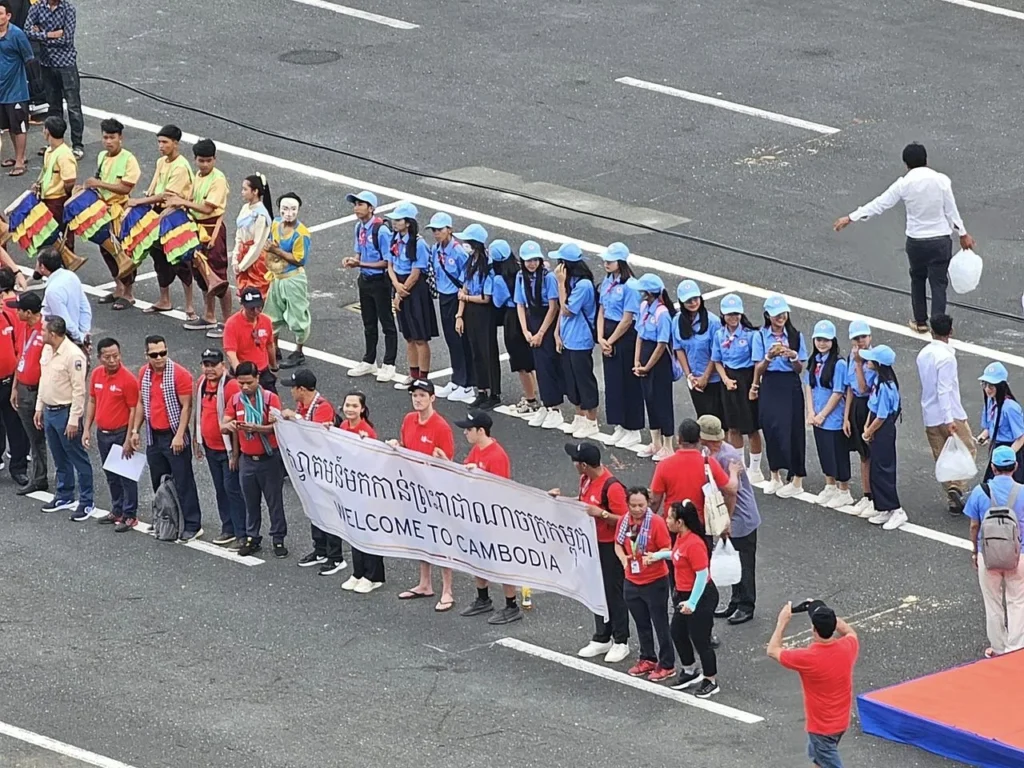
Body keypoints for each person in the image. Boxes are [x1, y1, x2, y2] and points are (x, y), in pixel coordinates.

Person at [834, 142, 974, 333]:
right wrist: (963, 234)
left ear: (906, 164)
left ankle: (920, 322)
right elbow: (951, 211)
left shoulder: (904, 184)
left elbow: (879, 204)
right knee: (939, 282)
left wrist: (851, 217)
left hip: (916, 242)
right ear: (926, 160)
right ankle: (939, 326)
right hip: (940, 240)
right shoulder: (941, 181)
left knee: (917, 278)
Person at [553, 441, 630, 663]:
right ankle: (602, 636)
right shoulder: (585, 480)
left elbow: (626, 520)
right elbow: (582, 504)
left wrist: (603, 515)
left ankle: (621, 640)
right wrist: (560, 501)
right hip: (590, 544)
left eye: (575, 461)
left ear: (584, 464)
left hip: (609, 547)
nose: (573, 464)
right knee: (595, 589)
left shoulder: (612, 487)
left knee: (613, 593)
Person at [768, 601, 860, 768]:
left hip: (821, 728)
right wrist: (825, 612)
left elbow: (772, 650)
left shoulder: (808, 658)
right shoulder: (848, 647)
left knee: (824, 758)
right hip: (840, 722)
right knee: (819, 760)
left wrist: (782, 621)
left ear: (813, 629)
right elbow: (849, 631)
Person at [390, 379, 456, 611]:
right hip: (413, 489)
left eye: (422, 395)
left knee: (440, 539)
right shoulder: (409, 419)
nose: (417, 399)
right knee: (420, 536)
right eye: (415, 395)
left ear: (432, 398)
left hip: (434, 492)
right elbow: (407, 447)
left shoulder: (441, 427)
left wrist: (442, 462)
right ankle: (425, 583)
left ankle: (447, 589)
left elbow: (448, 463)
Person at [129, 334, 203, 540]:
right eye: (154, 354)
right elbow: (142, 404)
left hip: (173, 434)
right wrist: (135, 430)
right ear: (147, 355)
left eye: (163, 353)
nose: (159, 357)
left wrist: (179, 435)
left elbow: (186, 406)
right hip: (154, 435)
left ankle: (192, 523)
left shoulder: (180, 374)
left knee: (183, 480)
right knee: (158, 481)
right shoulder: (144, 374)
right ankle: (166, 518)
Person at [646, 501, 720, 697]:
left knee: (700, 639)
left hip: (700, 596)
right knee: (677, 632)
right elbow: (677, 555)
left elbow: (702, 575)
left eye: (670, 517)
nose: (666, 520)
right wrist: (658, 555)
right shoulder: (681, 537)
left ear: (680, 522)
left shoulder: (695, 544)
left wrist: (693, 603)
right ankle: (689, 670)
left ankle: (711, 679)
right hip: (685, 595)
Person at [455, 410, 522, 624]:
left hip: (494, 518)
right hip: (477, 514)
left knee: (500, 560)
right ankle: (483, 598)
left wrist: (478, 477)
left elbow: (500, 489)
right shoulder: (477, 449)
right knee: (478, 556)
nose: (465, 432)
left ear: (480, 431)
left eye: (469, 429)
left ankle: (512, 605)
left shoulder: (496, 455)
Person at [126, 125, 197, 317]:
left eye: (165, 142)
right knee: (159, 259)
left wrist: (139, 201)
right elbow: (154, 190)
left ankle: (189, 304)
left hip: (175, 216)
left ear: (176, 144)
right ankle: (164, 299)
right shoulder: (161, 162)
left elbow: (166, 195)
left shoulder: (181, 166)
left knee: (181, 261)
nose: (161, 146)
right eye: (159, 142)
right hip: (159, 212)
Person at [699, 415, 761, 625]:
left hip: (740, 516)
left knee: (744, 562)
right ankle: (736, 601)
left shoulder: (725, 456)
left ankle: (746, 604)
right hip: (733, 514)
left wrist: (725, 520)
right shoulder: (712, 452)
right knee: (734, 559)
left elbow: (731, 494)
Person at [963, 445, 1024, 657]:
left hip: (988, 554)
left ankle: (998, 648)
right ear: (1015, 467)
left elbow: (973, 525)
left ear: (993, 467)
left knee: (993, 602)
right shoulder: (1023, 492)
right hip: (1019, 553)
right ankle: (1016, 647)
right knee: (1017, 599)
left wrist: (974, 550)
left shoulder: (980, 492)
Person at [284, 369, 346, 574]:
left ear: (301, 389)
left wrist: (295, 419)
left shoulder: (322, 407)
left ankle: (336, 556)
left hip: (325, 470)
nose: (291, 392)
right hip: (311, 468)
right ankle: (320, 550)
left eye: (293, 388)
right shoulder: (303, 405)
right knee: (314, 508)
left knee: (328, 511)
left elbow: (315, 437)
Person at [223, 361, 286, 558]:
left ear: (258, 379)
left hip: (269, 458)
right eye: (241, 383)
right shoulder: (235, 400)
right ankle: (252, 537)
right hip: (247, 460)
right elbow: (223, 424)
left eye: (248, 382)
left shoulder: (270, 399)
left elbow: (278, 427)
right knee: (250, 502)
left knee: (274, 501)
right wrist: (230, 425)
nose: (244, 387)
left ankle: (278, 538)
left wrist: (256, 428)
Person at [167, 138, 231, 335]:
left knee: (218, 276)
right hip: (197, 228)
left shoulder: (218, 179)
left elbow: (207, 207)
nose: (204, 164)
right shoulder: (198, 176)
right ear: (195, 159)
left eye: (208, 160)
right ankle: (209, 316)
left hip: (212, 230)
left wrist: (182, 203)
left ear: (214, 160)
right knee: (202, 275)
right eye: (201, 160)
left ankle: (228, 322)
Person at [916, 313, 975, 514]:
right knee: (968, 449)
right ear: (951, 331)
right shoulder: (947, 358)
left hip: (930, 415)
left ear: (932, 331)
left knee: (942, 458)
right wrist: (950, 419)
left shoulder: (923, 354)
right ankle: (957, 488)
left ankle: (952, 499)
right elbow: (944, 390)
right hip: (949, 414)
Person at [616, 485, 675, 682]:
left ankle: (667, 664)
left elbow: (667, 547)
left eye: (641, 505)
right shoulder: (625, 522)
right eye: (633, 505)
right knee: (641, 623)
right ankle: (647, 657)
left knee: (660, 623)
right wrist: (624, 559)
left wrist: (655, 556)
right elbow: (617, 543)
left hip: (654, 580)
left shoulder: (656, 523)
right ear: (627, 504)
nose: (637, 509)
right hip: (632, 580)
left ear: (647, 503)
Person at [751, 294, 807, 498]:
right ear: (767, 315)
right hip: (770, 384)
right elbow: (759, 366)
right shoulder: (760, 336)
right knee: (770, 427)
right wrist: (769, 356)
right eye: (776, 314)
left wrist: (793, 356)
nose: (780, 317)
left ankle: (797, 477)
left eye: (783, 313)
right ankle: (775, 475)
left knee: (794, 429)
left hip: (789, 384)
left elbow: (799, 368)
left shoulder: (795, 336)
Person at [35, 314, 90, 518]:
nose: (40, 333)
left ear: (54, 334)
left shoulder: (73, 356)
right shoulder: (48, 349)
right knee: (59, 456)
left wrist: (74, 420)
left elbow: (79, 391)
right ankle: (64, 494)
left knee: (77, 457)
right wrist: (39, 407)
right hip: (50, 410)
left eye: (43, 330)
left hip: (65, 412)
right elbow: (44, 379)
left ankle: (86, 501)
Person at [83, 118, 140, 308]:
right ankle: (118, 288)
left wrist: (98, 184)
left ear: (120, 137)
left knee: (122, 251)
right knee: (106, 251)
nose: (108, 141)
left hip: (119, 212)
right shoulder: (102, 156)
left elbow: (125, 188)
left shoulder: (129, 159)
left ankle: (129, 294)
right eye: (105, 137)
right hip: (102, 210)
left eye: (112, 137)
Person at [82, 337, 138, 527]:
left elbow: (133, 410)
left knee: (126, 476)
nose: (113, 360)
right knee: (111, 474)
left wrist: (130, 437)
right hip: (103, 433)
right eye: (108, 357)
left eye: (116, 356)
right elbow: (92, 401)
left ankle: (130, 514)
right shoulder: (97, 375)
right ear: (100, 358)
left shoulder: (128, 379)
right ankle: (117, 510)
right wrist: (87, 429)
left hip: (121, 433)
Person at [343, 190, 397, 383]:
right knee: (368, 322)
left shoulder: (381, 230)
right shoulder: (359, 227)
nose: (356, 208)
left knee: (387, 323)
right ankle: (369, 359)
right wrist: (353, 261)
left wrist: (360, 264)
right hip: (365, 279)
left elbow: (386, 262)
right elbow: (359, 253)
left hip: (380, 282)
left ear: (371, 208)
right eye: (355, 204)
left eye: (360, 204)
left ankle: (389, 363)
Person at [193, 347, 244, 548]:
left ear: (223, 365)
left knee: (232, 490)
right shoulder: (201, 384)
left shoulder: (231, 387)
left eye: (214, 365)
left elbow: (237, 424)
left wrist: (235, 454)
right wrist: (198, 442)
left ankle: (242, 532)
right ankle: (228, 528)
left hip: (228, 450)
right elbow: (199, 414)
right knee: (220, 489)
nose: (209, 369)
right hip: (210, 447)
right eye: (206, 365)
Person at [336, 390, 386, 593]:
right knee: (353, 530)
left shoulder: (367, 432)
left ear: (362, 409)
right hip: (349, 487)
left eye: (355, 406)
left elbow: (373, 462)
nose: (350, 409)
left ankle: (373, 576)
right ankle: (358, 572)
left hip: (365, 489)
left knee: (368, 531)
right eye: (347, 405)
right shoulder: (343, 426)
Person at [711, 294, 764, 482]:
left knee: (752, 427)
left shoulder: (751, 335)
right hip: (729, 380)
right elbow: (717, 360)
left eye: (736, 314)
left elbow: (757, 362)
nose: (732, 318)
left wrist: (754, 385)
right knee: (733, 427)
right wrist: (725, 379)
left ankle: (755, 468)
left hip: (747, 378)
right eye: (728, 314)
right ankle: (738, 464)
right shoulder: (719, 334)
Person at [597, 242, 642, 448]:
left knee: (628, 382)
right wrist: (600, 337)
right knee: (613, 381)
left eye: (610, 260)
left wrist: (611, 340)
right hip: (607, 331)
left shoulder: (631, 286)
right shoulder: (607, 282)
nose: (606, 263)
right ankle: (619, 425)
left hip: (624, 335)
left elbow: (627, 318)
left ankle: (633, 427)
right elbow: (601, 310)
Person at [386, 202, 437, 387]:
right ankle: (412, 373)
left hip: (414, 292)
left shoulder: (419, 243)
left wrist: (400, 292)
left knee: (420, 337)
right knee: (408, 335)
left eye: (398, 220)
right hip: (399, 285)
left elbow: (416, 273)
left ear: (408, 222)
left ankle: (423, 377)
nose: (394, 223)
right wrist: (395, 286)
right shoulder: (395, 240)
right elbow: (390, 265)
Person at [515, 240, 564, 429]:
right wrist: (526, 330)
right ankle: (546, 403)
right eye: (528, 260)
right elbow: (520, 304)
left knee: (548, 365)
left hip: (546, 321)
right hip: (531, 320)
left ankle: (555, 407)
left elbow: (553, 306)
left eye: (535, 260)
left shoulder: (548, 277)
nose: (532, 264)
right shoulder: (521, 277)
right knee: (538, 365)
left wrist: (541, 333)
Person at [426, 211, 474, 403]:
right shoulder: (436, 249)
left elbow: (467, 279)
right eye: (434, 230)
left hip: (457, 298)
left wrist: (461, 309)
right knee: (451, 340)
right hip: (444, 297)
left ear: (449, 230)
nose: (436, 233)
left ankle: (468, 383)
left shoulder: (459, 252)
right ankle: (457, 378)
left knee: (461, 340)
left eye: (440, 229)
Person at [553, 242, 599, 438]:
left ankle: (591, 420)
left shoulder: (583, 285)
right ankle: (579, 416)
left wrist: (561, 284)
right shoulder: (572, 283)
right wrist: (557, 332)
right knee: (571, 380)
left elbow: (567, 310)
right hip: (568, 338)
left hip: (580, 339)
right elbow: (561, 315)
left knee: (584, 379)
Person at [651, 418, 736, 523]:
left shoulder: (663, 465)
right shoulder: (709, 463)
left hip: (672, 522)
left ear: (678, 440)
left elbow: (655, 501)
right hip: (698, 523)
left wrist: (646, 523)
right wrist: (734, 472)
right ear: (699, 440)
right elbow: (731, 491)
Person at [860, 345, 907, 530]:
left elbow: (882, 416)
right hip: (875, 428)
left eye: (870, 360)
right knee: (876, 470)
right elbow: (873, 409)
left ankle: (896, 509)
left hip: (883, 430)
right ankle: (884, 507)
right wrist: (867, 426)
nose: (867, 362)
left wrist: (868, 431)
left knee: (884, 469)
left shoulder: (886, 387)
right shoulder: (878, 382)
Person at [25, 0, 81, 157]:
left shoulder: (68, 9)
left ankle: (77, 145)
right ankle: (55, 143)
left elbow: (67, 39)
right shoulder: (37, 7)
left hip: (66, 63)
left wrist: (41, 34)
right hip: (46, 63)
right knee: (53, 105)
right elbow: (27, 32)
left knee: (73, 106)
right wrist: (51, 34)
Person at [806, 320, 853, 508]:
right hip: (817, 416)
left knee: (838, 453)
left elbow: (838, 392)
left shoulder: (839, 364)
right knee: (824, 451)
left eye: (825, 340)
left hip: (832, 418)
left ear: (833, 341)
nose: (821, 343)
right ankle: (830, 485)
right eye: (818, 339)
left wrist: (822, 415)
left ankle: (844, 490)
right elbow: (808, 386)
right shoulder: (814, 361)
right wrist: (810, 412)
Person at [489, 240, 539, 414]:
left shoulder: (498, 278)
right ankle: (533, 394)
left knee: (520, 363)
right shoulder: (519, 271)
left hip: (512, 318)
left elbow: (497, 301)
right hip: (528, 316)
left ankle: (531, 400)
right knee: (529, 360)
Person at [263, 193, 311, 369]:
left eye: (292, 209)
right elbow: (270, 240)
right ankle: (274, 347)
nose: (288, 213)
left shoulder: (301, 234)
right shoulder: (275, 224)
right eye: (285, 209)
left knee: (298, 316)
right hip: (276, 277)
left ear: (298, 210)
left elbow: (299, 259)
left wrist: (276, 250)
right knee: (272, 315)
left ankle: (299, 351)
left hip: (293, 279)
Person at [454, 223, 499, 409]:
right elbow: (464, 285)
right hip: (470, 311)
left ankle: (494, 393)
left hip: (484, 313)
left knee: (488, 352)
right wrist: (459, 314)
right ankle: (481, 390)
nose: (465, 244)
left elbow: (486, 298)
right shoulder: (470, 262)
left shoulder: (488, 265)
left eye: (468, 241)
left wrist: (465, 297)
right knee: (476, 352)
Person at [632, 273, 676, 461]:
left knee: (662, 402)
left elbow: (661, 344)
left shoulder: (662, 313)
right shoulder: (643, 307)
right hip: (644, 359)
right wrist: (636, 361)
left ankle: (668, 445)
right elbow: (640, 335)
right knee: (649, 399)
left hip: (659, 363)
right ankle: (655, 442)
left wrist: (647, 366)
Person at [674, 280, 725, 422]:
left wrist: (705, 377)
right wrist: (689, 375)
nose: (693, 302)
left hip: (713, 381)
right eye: (688, 300)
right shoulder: (677, 321)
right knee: (702, 419)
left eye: (695, 298)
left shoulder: (713, 322)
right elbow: (679, 348)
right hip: (694, 381)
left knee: (718, 422)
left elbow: (716, 353)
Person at [842, 320, 877, 519]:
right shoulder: (852, 357)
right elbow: (850, 388)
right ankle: (866, 494)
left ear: (869, 337)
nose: (860, 341)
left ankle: (874, 496)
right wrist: (846, 417)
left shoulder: (871, 360)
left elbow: (864, 389)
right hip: (856, 407)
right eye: (857, 338)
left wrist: (857, 363)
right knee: (863, 454)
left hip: (869, 407)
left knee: (872, 453)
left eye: (863, 337)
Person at [12, 291, 45, 493]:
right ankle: (39, 478)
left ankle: (46, 479)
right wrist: (15, 387)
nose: (17, 314)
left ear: (29, 312)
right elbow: (21, 356)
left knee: (42, 438)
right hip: (23, 388)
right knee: (33, 438)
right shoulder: (25, 327)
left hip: (38, 392)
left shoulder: (46, 332)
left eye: (20, 311)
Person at [0, 268, 28, 485]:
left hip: (9, 381)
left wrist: (18, 380)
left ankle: (19, 467)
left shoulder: (11, 316)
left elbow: (20, 348)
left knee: (15, 425)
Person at [0, 1, 34, 176]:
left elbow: (29, 58)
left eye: (0, 14)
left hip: (16, 90)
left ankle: (21, 160)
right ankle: (16, 155)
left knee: (19, 126)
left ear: (8, 16)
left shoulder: (17, 35)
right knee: (9, 126)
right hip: (1, 92)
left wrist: (32, 84)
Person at [223, 287, 279, 393]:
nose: (255, 311)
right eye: (251, 308)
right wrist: (241, 375)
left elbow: (270, 345)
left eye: (259, 307)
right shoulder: (232, 324)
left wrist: (274, 366)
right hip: (244, 375)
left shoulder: (266, 321)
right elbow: (231, 354)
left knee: (272, 404)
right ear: (243, 305)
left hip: (263, 371)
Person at [33, 115, 76, 251]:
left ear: (48, 131)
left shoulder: (64, 154)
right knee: (48, 236)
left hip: (58, 201)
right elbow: (46, 171)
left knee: (59, 236)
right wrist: (38, 184)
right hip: (47, 199)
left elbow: (70, 181)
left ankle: (67, 263)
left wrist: (65, 195)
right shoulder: (49, 151)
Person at [976, 362, 1024, 483]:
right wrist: (983, 436)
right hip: (998, 449)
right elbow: (989, 426)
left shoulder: (1011, 407)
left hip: (1012, 450)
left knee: (1012, 487)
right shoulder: (990, 402)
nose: (987, 389)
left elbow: (1021, 437)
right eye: (985, 384)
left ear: (1001, 386)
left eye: (991, 386)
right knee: (992, 483)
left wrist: (1008, 454)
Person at [230, 173, 273, 300]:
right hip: (243, 253)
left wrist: (242, 266)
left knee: (257, 293)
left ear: (255, 191)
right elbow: (239, 235)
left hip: (256, 261)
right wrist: (235, 258)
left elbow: (258, 245)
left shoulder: (261, 216)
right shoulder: (245, 208)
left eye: (245, 189)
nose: (242, 192)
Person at [36, 245, 89, 345]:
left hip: (63, 339)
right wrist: (84, 333)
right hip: (75, 334)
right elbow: (85, 308)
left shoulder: (52, 291)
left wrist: (79, 338)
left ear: (42, 267)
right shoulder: (71, 276)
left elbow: (64, 321)